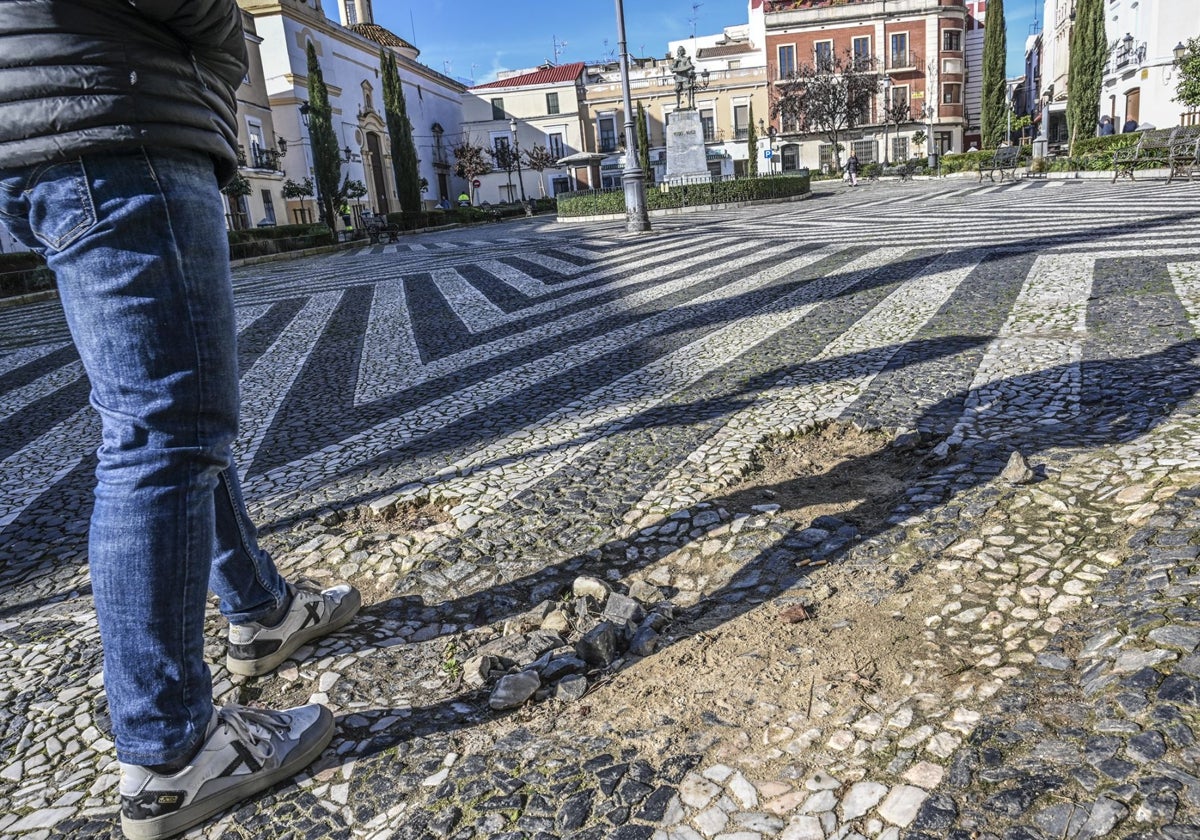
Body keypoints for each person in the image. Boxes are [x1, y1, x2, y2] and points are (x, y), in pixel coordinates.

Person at [0, 3, 361, 839]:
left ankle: (262, 611)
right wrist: (228, 31)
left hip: (50, 133)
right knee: (162, 435)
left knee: (172, 423)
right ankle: (172, 753)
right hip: (114, 119)